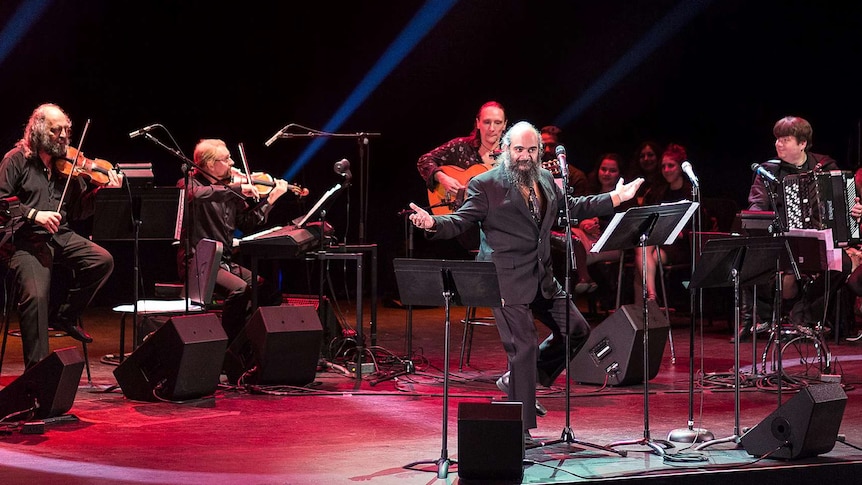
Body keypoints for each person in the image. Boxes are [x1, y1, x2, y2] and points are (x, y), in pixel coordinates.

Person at [408, 121, 642, 437]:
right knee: (524, 345)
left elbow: (570, 207)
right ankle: (520, 431)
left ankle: (521, 379)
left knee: (576, 330)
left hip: (541, 276)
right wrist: (432, 223)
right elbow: (460, 220)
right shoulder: (485, 184)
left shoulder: (545, 179)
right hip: (503, 279)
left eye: (531, 150)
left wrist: (614, 198)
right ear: (506, 150)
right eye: (519, 149)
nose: (525, 156)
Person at [0, 103, 121, 369]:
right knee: (36, 297)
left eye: (67, 130)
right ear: (39, 130)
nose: (64, 136)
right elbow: (1, 201)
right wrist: (33, 214)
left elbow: (78, 211)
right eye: (57, 131)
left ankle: (65, 316)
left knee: (102, 261)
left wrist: (103, 191)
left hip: (59, 235)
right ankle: (38, 373)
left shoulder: (66, 165)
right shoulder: (16, 159)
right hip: (25, 240)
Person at [742, 115, 861, 342]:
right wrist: (762, 218)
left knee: (843, 265)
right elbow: (756, 204)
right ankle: (764, 318)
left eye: (785, 139)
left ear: (803, 143)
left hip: (818, 242)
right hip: (782, 241)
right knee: (747, 260)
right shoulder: (768, 172)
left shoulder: (826, 166)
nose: (778, 144)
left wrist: (855, 210)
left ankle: (804, 316)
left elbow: (848, 203)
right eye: (777, 139)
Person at [177, 139, 290, 344]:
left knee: (267, 291)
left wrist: (271, 199)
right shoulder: (189, 183)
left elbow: (247, 223)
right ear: (210, 164)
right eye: (226, 158)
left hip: (224, 262)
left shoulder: (229, 190)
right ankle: (226, 346)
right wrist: (236, 188)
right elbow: (199, 195)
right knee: (239, 289)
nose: (232, 163)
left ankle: (249, 343)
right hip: (198, 263)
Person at [416, 101, 507, 257]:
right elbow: (424, 161)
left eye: (497, 123)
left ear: (505, 125)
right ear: (478, 123)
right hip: (462, 230)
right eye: (487, 122)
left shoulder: (510, 155)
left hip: (496, 233)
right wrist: (442, 178)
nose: (492, 128)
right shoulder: (461, 147)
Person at [633, 143, 693, 304]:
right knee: (643, 249)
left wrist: (680, 232)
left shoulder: (690, 192)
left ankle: (649, 298)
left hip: (680, 245)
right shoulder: (659, 192)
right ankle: (652, 296)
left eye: (670, 166)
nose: (666, 170)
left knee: (646, 256)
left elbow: (698, 225)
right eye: (663, 166)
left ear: (680, 167)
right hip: (658, 240)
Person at [541, 125, 588, 196]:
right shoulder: (532, 173)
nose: (547, 150)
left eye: (551, 145)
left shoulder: (576, 176)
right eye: (543, 146)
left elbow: (579, 205)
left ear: (561, 146)